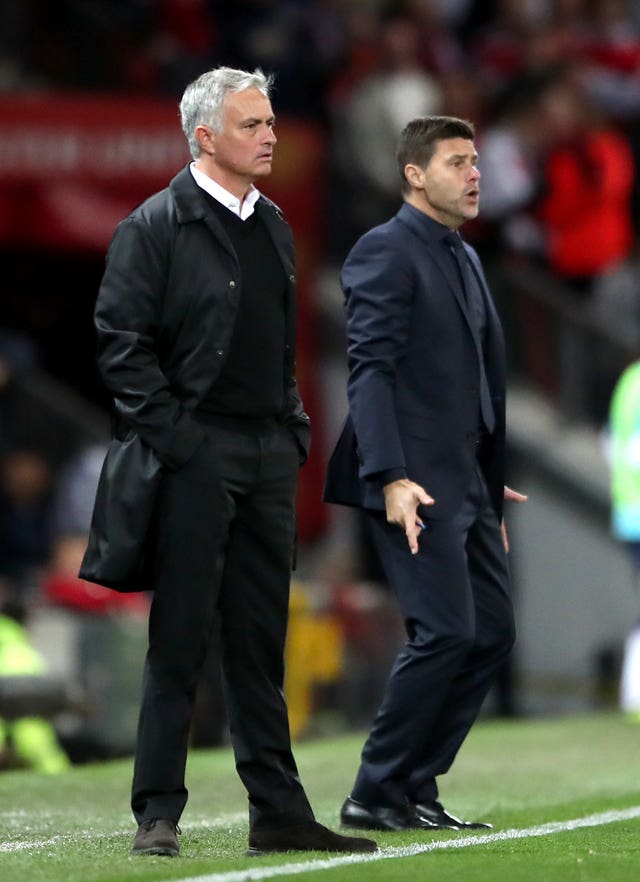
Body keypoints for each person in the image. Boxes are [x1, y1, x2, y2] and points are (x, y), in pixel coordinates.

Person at [79, 66, 376, 858]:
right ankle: (156, 815)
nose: (270, 135)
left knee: (258, 642)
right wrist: (181, 442)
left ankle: (276, 813)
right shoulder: (154, 225)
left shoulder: (274, 225)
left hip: (266, 455)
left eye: (271, 122)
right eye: (252, 125)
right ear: (205, 136)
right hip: (195, 454)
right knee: (178, 639)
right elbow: (120, 345)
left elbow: (282, 349)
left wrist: (291, 430)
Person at [324, 115, 527, 832]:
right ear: (415, 174)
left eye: (476, 161)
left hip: (464, 479)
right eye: (457, 162)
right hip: (412, 482)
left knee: (491, 632)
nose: (476, 174)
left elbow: (462, 375)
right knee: (443, 630)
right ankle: (376, 789)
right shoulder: (384, 251)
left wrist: (481, 468)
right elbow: (370, 373)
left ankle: (413, 783)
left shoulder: (463, 255)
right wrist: (390, 476)